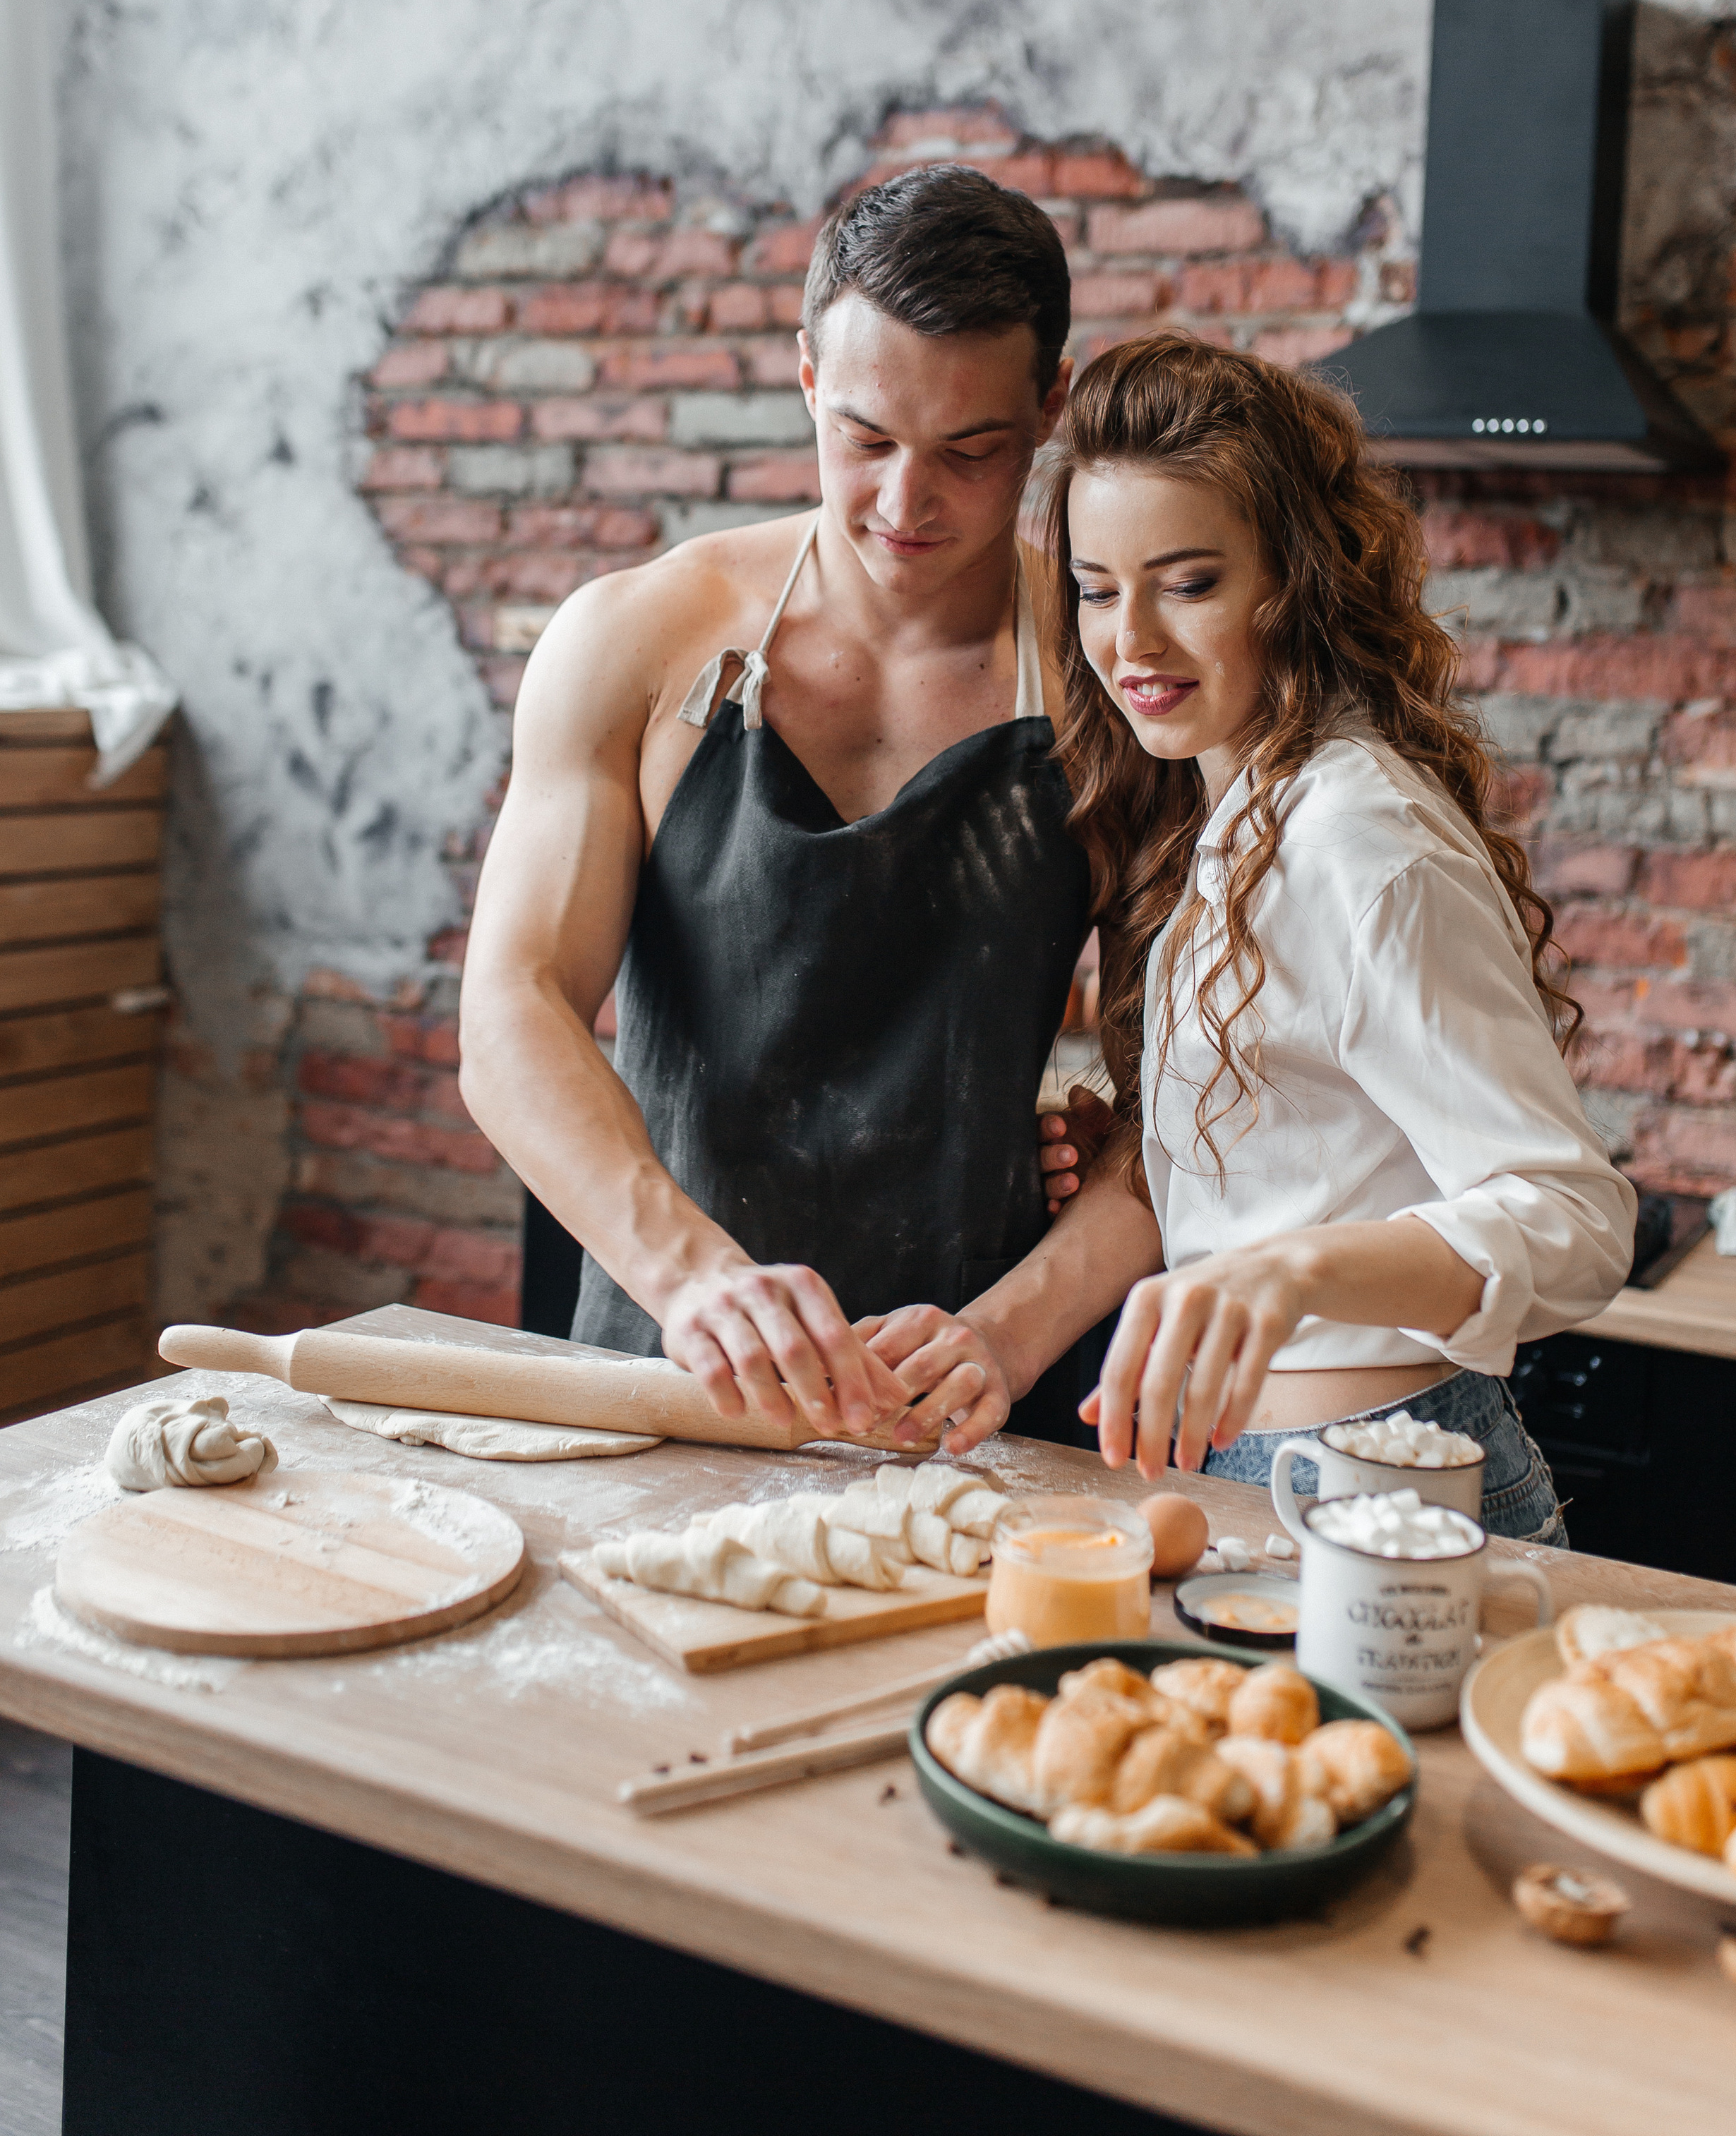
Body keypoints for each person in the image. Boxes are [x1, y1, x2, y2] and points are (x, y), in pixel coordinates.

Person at [860, 332, 1635, 1536]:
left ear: (1294, 579)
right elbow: (1276, 1172)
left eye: (1190, 583)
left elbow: (1577, 1221)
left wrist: (1295, 1270)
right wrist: (1004, 1328)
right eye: (1100, 590)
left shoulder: (1356, 837)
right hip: (1253, 1478)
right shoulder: (1227, 818)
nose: (1132, 645)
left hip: (1384, 1485)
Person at [458, 163, 1099, 1447]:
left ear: (1048, 410)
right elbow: (512, 1006)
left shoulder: (1111, 679)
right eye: (864, 439)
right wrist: (695, 1277)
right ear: (807, 376)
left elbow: (1192, 1090)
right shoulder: (637, 639)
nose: (904, 505)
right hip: (664, 1378)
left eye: (970, 453)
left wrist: (1020, 1321)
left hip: (976, 1400)